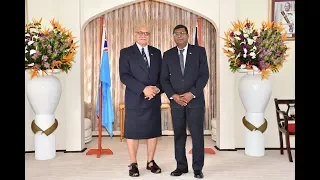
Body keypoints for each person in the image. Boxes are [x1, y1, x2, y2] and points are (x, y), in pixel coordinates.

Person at [160, 24, 209, 179]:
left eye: (182, 33)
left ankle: (197, 168)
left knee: (197, 135)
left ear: (187, 35)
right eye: (176, 34)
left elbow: (204, 75)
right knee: (179, 135)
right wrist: (173, 95)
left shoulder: (199, 52)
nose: (179, 36)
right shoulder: (167, 55)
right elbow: (164, 79)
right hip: (176, 102)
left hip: (195, 101)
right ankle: (181, 166)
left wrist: (192, 94)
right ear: (173, 37)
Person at [119, 24, 163, 177]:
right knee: (133, 133)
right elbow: (124, 75)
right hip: (135, 98)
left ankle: (150, 162)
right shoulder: (126, 52)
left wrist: (156, 89)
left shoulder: (157, 53)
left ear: (150, 36)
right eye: (140, 32)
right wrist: (143, 89)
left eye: (146, 33)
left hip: (153, 98)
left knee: (152, 131)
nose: (143, 35)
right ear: (134, 35)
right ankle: (133, 163)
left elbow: (162, 76)